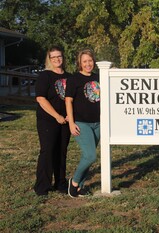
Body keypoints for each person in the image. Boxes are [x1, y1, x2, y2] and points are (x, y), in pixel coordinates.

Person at [34, 46, 71, 196]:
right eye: (53, 57)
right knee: (48, 151)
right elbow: (41, 99)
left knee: (61, 152)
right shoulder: (45, 76)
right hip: (48, 120)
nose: (57, 59)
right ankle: (42, 186)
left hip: (66, 120)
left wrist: (70, 115)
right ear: (49, 59)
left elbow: (73, 98)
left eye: (59, 56)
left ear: (63, 58)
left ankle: (61, 183)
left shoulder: (70, 76)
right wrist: (56, 116)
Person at [65, 49, 100, 198]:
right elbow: (68, 100)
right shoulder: (74, 79)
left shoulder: (99, 77)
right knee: (90, 156)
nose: (88, 64)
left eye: (90, 61)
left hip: (98, 123)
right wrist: (71, 123)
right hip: (81, 122)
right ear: (80, 63)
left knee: (89, 155)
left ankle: (79, 187)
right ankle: (74, 182)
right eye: (84, 61)